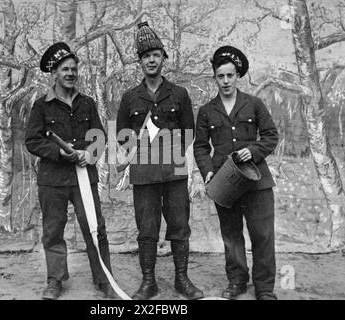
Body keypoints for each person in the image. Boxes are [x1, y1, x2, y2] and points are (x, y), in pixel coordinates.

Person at [116, 22, 204, 300]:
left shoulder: (179, 94)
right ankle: (148, 282)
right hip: (143, 173)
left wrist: (170, 149)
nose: (151, 60)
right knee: (147, 228)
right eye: (145, 56)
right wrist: (139, 145)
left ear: (164, 58)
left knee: (179, 225)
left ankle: (182, 280)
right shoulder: (130, 97)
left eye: (156, 55)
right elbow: (122, 136)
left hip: (174, 170)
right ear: (139, 62)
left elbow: (189, 133)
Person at [25, 42, 115, 300]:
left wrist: (90, 153)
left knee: (95, 228)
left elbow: (99, 136)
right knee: (53, 231)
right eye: (65, 69)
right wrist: (58, 153)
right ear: (54, 73)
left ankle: (104, 279)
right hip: (52, 180)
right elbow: (32, 141)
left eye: (74, 69)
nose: (70, 73)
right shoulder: (42, 106)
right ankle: (55, 280)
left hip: (84, 178)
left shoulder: (87, 103)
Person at [193, 46, 279, 300]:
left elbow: (271, 136)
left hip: (257, 182)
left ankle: (264, 288)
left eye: (230, 75)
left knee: (262, 234)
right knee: (231, 235)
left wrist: (253, 151)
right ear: (215, 78)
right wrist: (208, 172)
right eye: (221, 76)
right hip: (225, 182)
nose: (226, 81)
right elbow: (199, 146)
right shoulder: (207, 111)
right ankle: (237, 282)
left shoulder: (254, 104)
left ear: (237, 76)